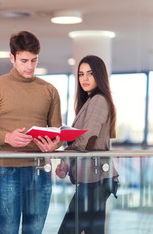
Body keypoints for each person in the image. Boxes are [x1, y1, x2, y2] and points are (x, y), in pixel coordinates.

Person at [0, 30, 62, 234]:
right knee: (8, 230)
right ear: (12, 58)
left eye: (34, 60)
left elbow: (58, 132)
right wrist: (7, 137)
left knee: (35, 230)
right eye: (24, 60)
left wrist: (54, 145)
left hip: (41, 170)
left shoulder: (49, 90)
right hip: (8, 171)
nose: (30, 66)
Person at [55, 55, 119, 234]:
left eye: (90, 73)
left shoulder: (98, 100)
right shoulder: (91, 100)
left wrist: (65, 152)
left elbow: (88, 140)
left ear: (99, 75)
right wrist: (67, 162)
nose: (84, 78)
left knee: (67, 231)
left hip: (95, 181)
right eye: (81, 74)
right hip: (97, 179)